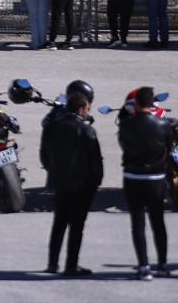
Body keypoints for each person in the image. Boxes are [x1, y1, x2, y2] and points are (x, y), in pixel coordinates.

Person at [41, 82, 102, 276]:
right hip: (81, 185)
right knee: (76, 226)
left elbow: (44, 154)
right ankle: (71, 265)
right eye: (87, 108)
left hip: (60, 182)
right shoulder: (86, 130)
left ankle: (52, 263)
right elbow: (96, 162)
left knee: (59, 223)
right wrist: (95, 182)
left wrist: (53, 172)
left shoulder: (52, 126)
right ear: (81, 108)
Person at [117, 86, 174, 279]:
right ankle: (163, 264)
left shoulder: (126, 125)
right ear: (151, 104)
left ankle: (143, 267)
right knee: (158, 222)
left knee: (138, 223)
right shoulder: (163, 124)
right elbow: (169, 148)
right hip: (156, 179)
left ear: (136, 103)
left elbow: (123, 145)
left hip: (133, 177)